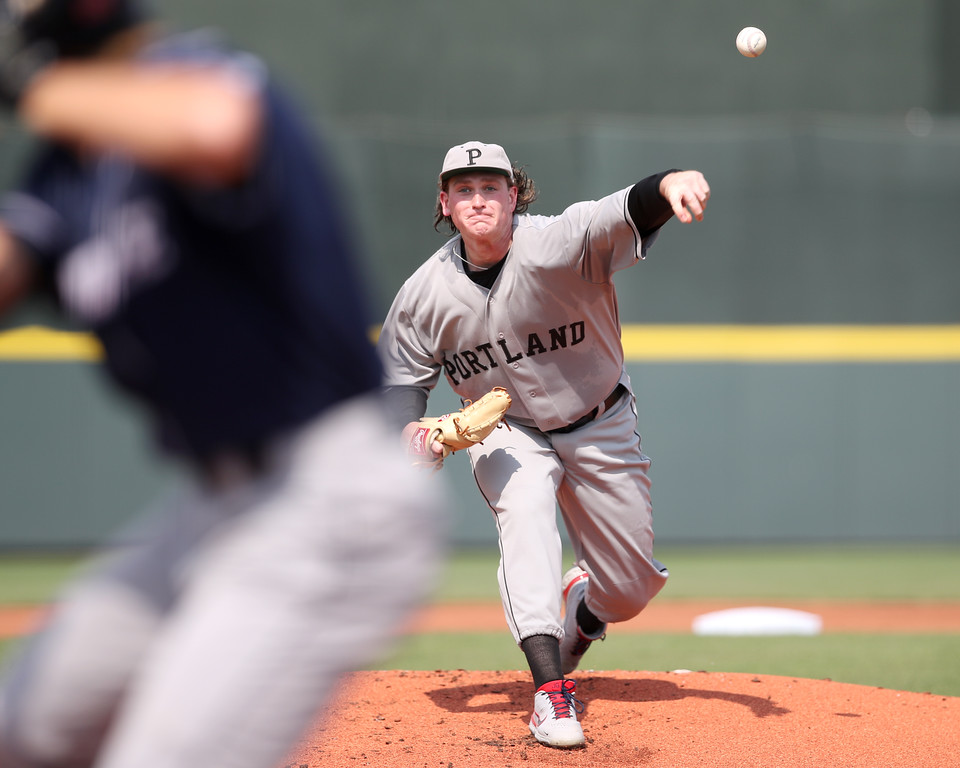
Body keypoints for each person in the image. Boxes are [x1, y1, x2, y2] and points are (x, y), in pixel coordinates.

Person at [0, 2, 445, 767]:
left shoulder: (196, 73)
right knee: (23, 728)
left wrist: (33, 83)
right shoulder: (65, 172)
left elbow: (216, 127)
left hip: (327, 498)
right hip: (210, 512)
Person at [377, 140, 710, 749]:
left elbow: (626, 210)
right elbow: (402, 378)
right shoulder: (423, 293)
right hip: (507, 432)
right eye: (464, 190)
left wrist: (671, 182)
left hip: (599, 420)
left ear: (514, 195)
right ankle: (551, 692)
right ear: (445, 203)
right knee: (524, 511)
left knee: (629, 591)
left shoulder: (560, 241)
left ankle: (585, 608)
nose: (478, 200)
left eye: (490, 188)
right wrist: (407, 429)